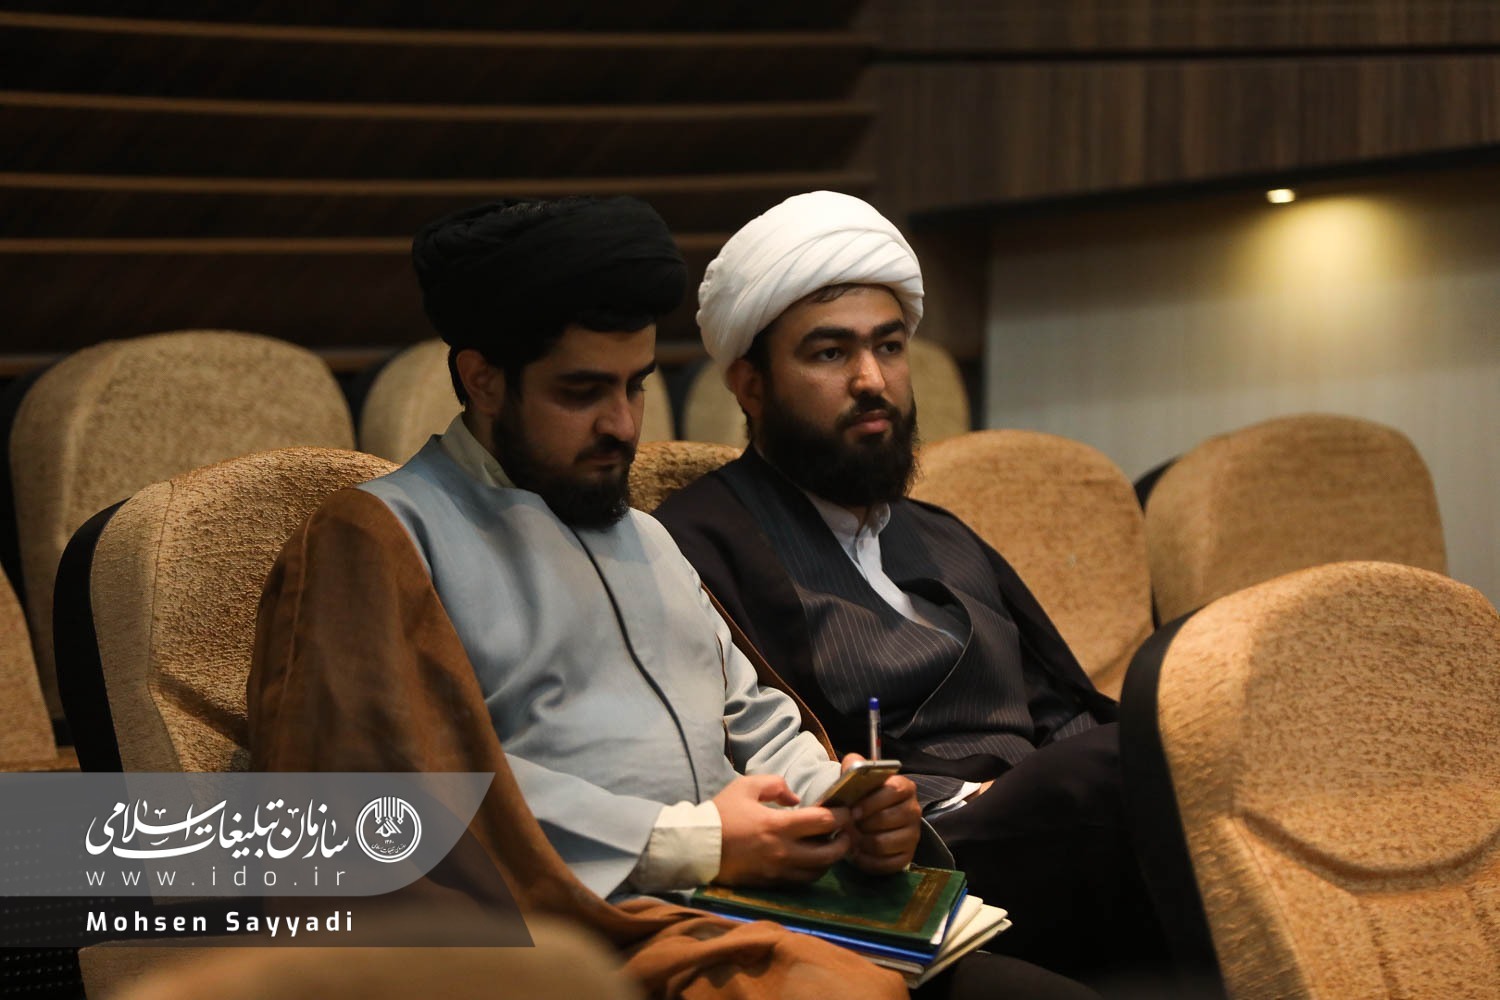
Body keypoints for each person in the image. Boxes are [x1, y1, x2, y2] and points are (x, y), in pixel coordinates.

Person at [248, 196, 1096, 1000]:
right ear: (484, 380)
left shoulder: (646, 539)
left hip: (765, 916)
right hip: (582, 941)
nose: (623, 424)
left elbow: (752, 720)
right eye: (583, 392)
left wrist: (843, 806)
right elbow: (379, 806)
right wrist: (696, 843)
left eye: (636, 385)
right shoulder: (380, 537)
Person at [654, 191, 1169, 984]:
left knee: (1173, 727)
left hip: (1060, 822)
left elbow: (1058, 703)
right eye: (830, 354)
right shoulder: (699, 542)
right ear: (751, 386)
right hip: (908, 855)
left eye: (889, 347)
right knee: (1123, 766)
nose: (872, 380)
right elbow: (745, 760)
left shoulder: (940, 531)